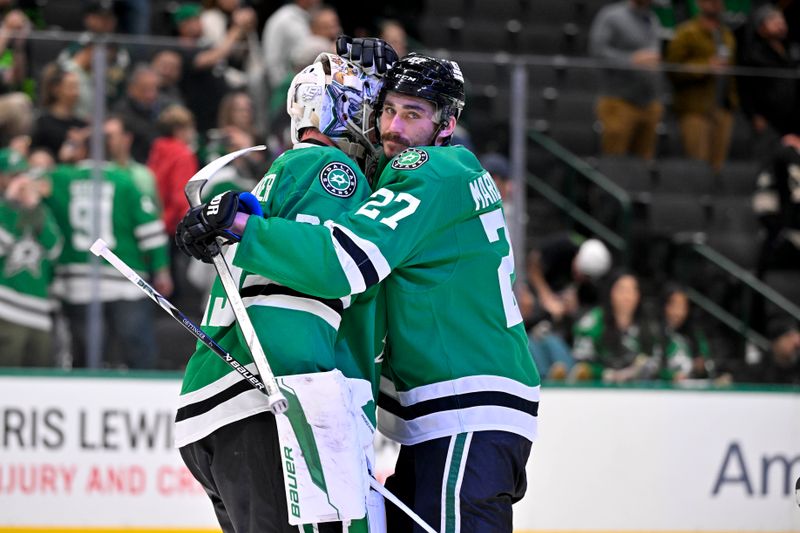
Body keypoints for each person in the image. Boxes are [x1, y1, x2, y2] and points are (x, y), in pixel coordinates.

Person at [177, 50, 540, 532]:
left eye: (413, 114)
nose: (393, 128)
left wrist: (240, 225)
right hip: (459, 413)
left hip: (462, 410)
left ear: (447, 123)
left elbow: (342, 261)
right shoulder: (452, 173)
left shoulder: (428, 167)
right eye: (387, 109)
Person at [174, 52, 386, 533]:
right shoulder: (333, 170)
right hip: (272, 402)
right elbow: (311, 279)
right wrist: (314, 410)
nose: (377, 129)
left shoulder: (282, 175)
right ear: (340, 111)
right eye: (369, 112)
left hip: (219, 407)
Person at [45, 118, 171, 369]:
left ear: (82, 150)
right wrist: (161, 269)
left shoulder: (59, 178)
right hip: (124, 281)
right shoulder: (125, 181)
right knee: (138, 357)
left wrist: (67, 152)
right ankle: (143, 405)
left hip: (78, 283)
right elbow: (151, 230)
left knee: (88, 358)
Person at [0, 146, 62, 367]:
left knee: (39, 383)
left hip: (38, 313)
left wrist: (33, 208)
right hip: (6, 310)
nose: (20, 182)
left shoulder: (39, 210)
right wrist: (9, 205)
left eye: (22, 174)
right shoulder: (3, 209)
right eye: (12, 176)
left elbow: (54, 249)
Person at [665, 0, 738, 172]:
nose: (714, 4)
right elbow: (672, 69)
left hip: (723, 108)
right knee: (697, 165)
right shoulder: (686, 32)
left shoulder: (727, 35)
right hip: (695, 109)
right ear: (699, 3)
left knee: (718, 167)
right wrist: (706, 66)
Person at [588, 0, 664, 160]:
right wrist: (632, 60)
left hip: (649, 102)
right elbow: (598, 52)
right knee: (615, 161)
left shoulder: (652, 19)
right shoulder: (611, 16)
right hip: (619, 101)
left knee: (644, 165)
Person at [571, 270, 659, 383]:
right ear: (610, 292)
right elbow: (581, 362)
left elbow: (657, 359)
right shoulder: (592, 322)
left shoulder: (648, 325)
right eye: (622, 290)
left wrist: (639, 370)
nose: (627, 296)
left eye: (632, 290)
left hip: (638, 389)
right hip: (597, 388)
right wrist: (606, 374)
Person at [737, 5, 800, 161]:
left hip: (791, 116)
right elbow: (746, 89)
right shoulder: (752, 54)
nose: (780, 23)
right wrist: (754, 115)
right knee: (768, 157)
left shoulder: (791, 50)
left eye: (781, 19)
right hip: (767, 117)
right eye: (772, 19)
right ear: (760, 27)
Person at [656, 283, 713, 382]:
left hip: (690, 392)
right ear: (665, 306)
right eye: (675, 305)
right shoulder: (655, 332)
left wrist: (701, 367)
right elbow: (650, 366)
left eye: (683, 307)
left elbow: (706, 365)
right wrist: (671, 376)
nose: (679, 312)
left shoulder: (695, 334)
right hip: (661, 391)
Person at [261, 0, 320, 89]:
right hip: (283, 84)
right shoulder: (288, 20)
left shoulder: (303, 16)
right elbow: (305, 54)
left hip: (293, 81)